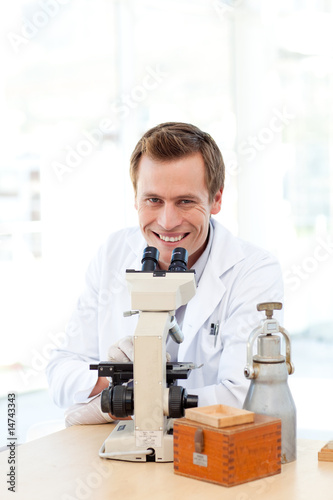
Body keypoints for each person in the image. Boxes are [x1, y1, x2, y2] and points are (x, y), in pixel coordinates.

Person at [46, 122, 283, 426]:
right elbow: (61, 370)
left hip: (204, 451)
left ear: (216, 200)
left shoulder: (253, 271)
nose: (167, 222)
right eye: (153, 200)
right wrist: (114, 383)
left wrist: (138, 400)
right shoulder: (113, 253)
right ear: (135, 198)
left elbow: (244, 397)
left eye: (185, 201)